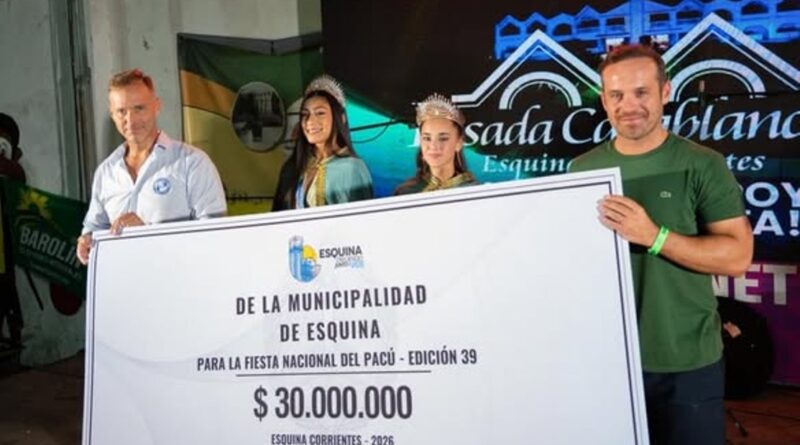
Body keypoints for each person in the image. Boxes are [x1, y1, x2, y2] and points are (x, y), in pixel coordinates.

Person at [569, 44, 753, 445]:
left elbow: (738, 256)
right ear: (604, 101)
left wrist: (655, 237)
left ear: (665, 92)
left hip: (686, 362)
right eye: (616, 95)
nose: (628, 106)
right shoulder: (581, 171)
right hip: (609, 361)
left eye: (641, 92)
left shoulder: (702, 164)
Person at [77, 68, 226, 265]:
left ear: (157, 106)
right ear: (112, 114)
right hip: (123, 282)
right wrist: (87, 242)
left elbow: (215, 237)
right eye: (121, 111)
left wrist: (147, 235)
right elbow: (94, 228)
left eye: (139, 108)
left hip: (179, 281)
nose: (131, 120)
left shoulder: (192, 163)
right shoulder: (106, 173)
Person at [273, 75, 373, 210]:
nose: (309, 121)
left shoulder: (352, 169)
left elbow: (361, 219)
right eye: (304, 114)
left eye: (320, 113)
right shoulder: (293, 167)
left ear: (341, 118)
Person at [394, 93, 478, 195]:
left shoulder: (474, 192)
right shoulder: (406, 192)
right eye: (427, 138)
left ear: (459, 143)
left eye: (443, 138)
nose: (433, 146)